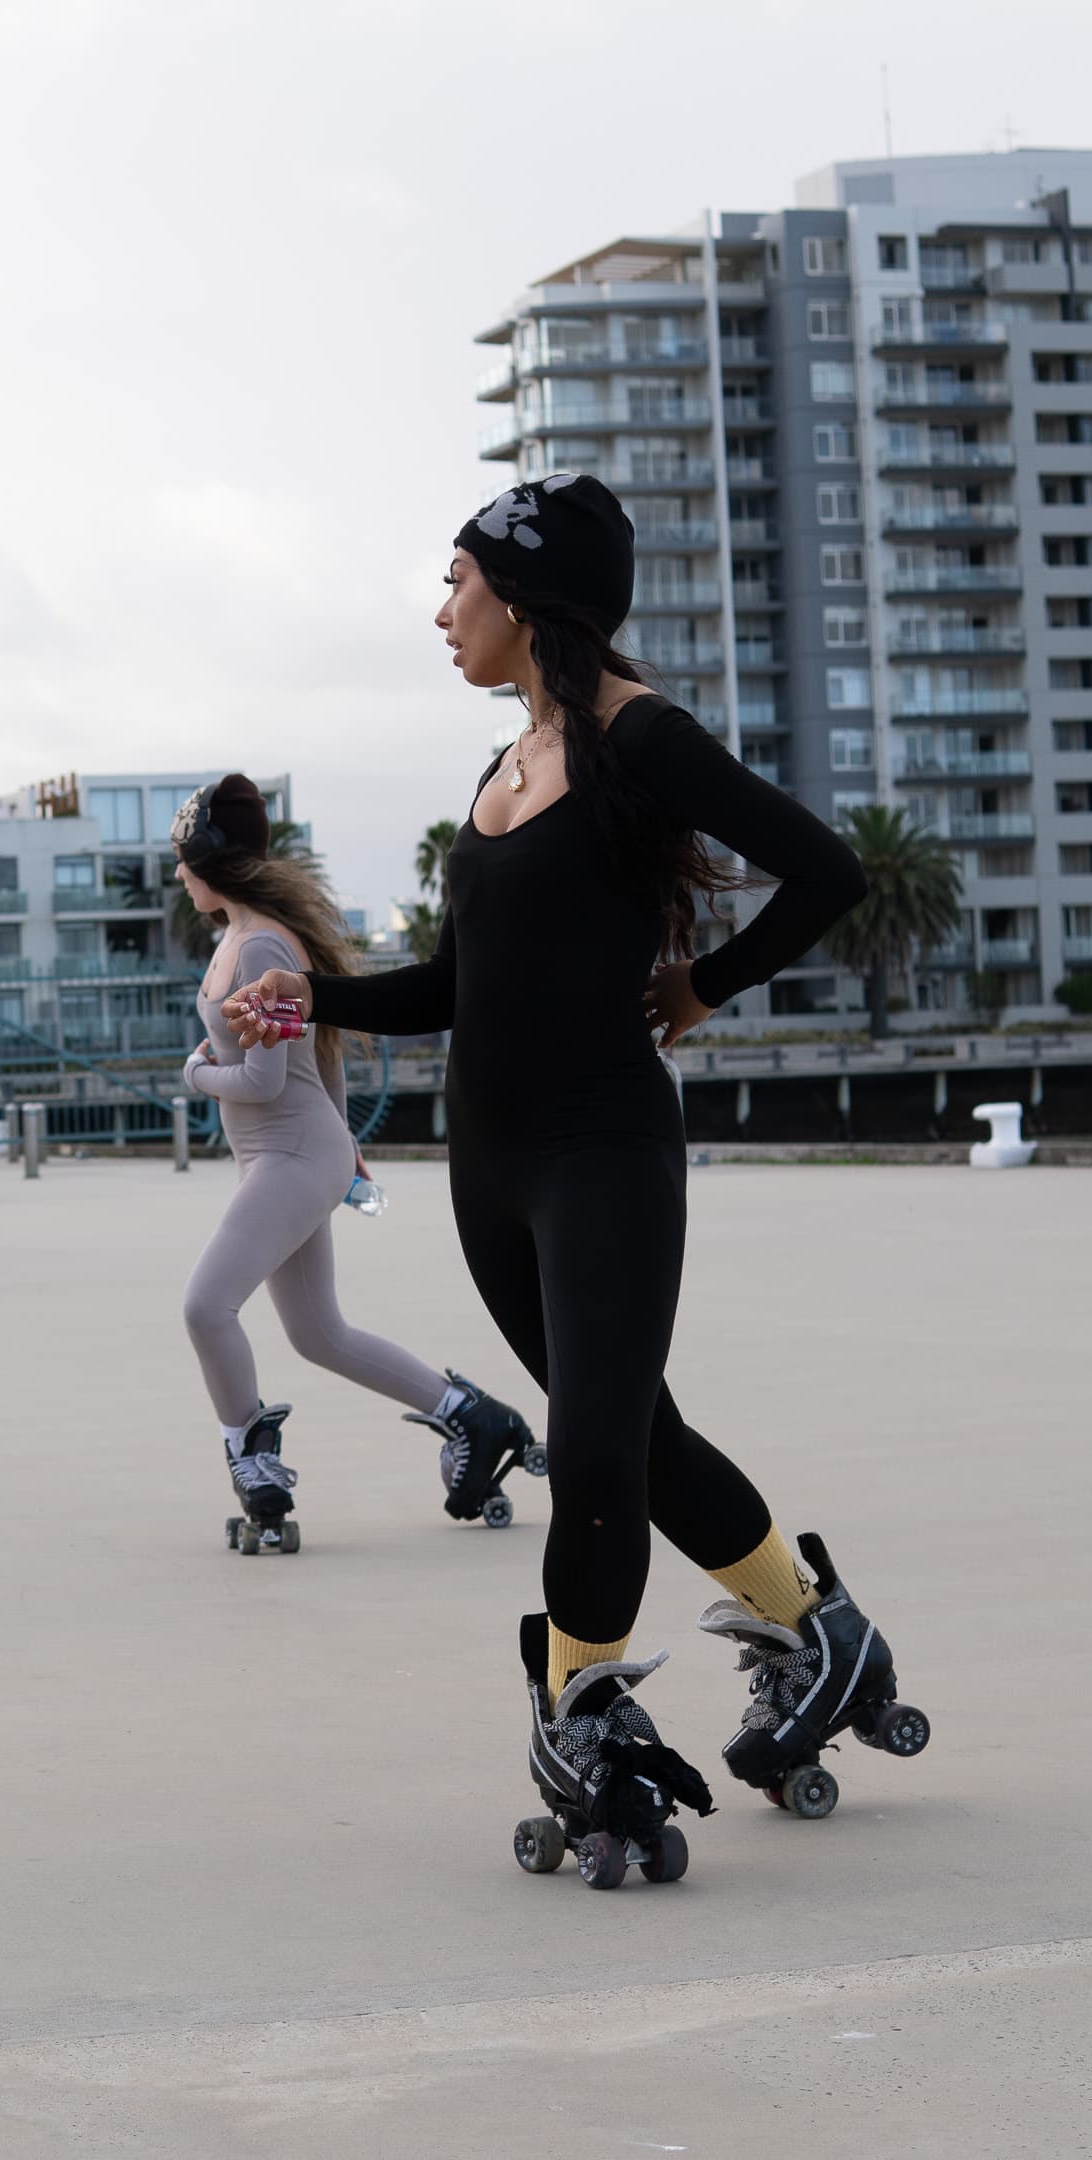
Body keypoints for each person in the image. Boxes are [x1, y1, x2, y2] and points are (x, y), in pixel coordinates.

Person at [226, 474, 927, 1869]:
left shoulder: (640, 738)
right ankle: (821, 1633)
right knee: (637, 1440)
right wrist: (318, 1004)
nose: (443, 614)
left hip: (604, 1147)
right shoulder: (501, 768)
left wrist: (704, 985)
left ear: (527, 596)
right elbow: (462, 987)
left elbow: (824, 869)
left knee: (598, 1449)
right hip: (490, 1167)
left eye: (458, 584)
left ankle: (581, 1710)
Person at [173, 773, 541, 1554]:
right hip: (298, 1153)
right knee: (318, 1333)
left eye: (183, 860)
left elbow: (264, 1080)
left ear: (210, 864)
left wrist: (195, 1073)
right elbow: (325, 1042)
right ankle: (472, 1418)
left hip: (290, 1155)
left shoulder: (262, 945)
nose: (178, 875)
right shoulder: (243, 940)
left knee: (207, 1307)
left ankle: (254, 1459)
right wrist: (346, 1147)